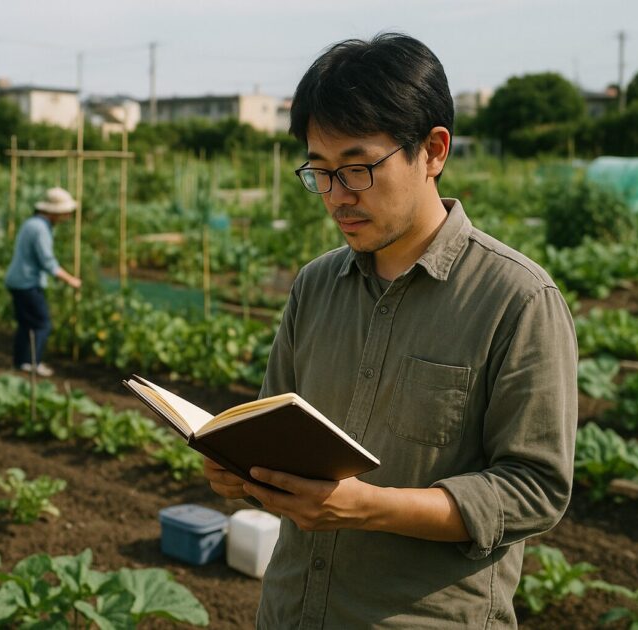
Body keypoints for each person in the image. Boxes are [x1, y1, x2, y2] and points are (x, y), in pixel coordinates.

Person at [203, 33, 578, 628]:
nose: (337, 197)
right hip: (293, 610)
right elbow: (272, 428)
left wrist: (371, 509)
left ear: (432, 151)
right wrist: (243, 472)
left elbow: (533, 488)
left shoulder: (517, 299)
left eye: (357, 168)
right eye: (319, 172)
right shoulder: (315, 285)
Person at [4, 186, 82, 377]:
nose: (66, 216)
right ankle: (33, 363)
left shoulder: (32, 223)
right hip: (27, 282)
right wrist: (70, 280)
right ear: (54, 212)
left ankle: (21, 362)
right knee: (42, 324)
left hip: (17, 280)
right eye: (64, 212)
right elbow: (47, 261)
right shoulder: (40, 229)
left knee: (25, 324)